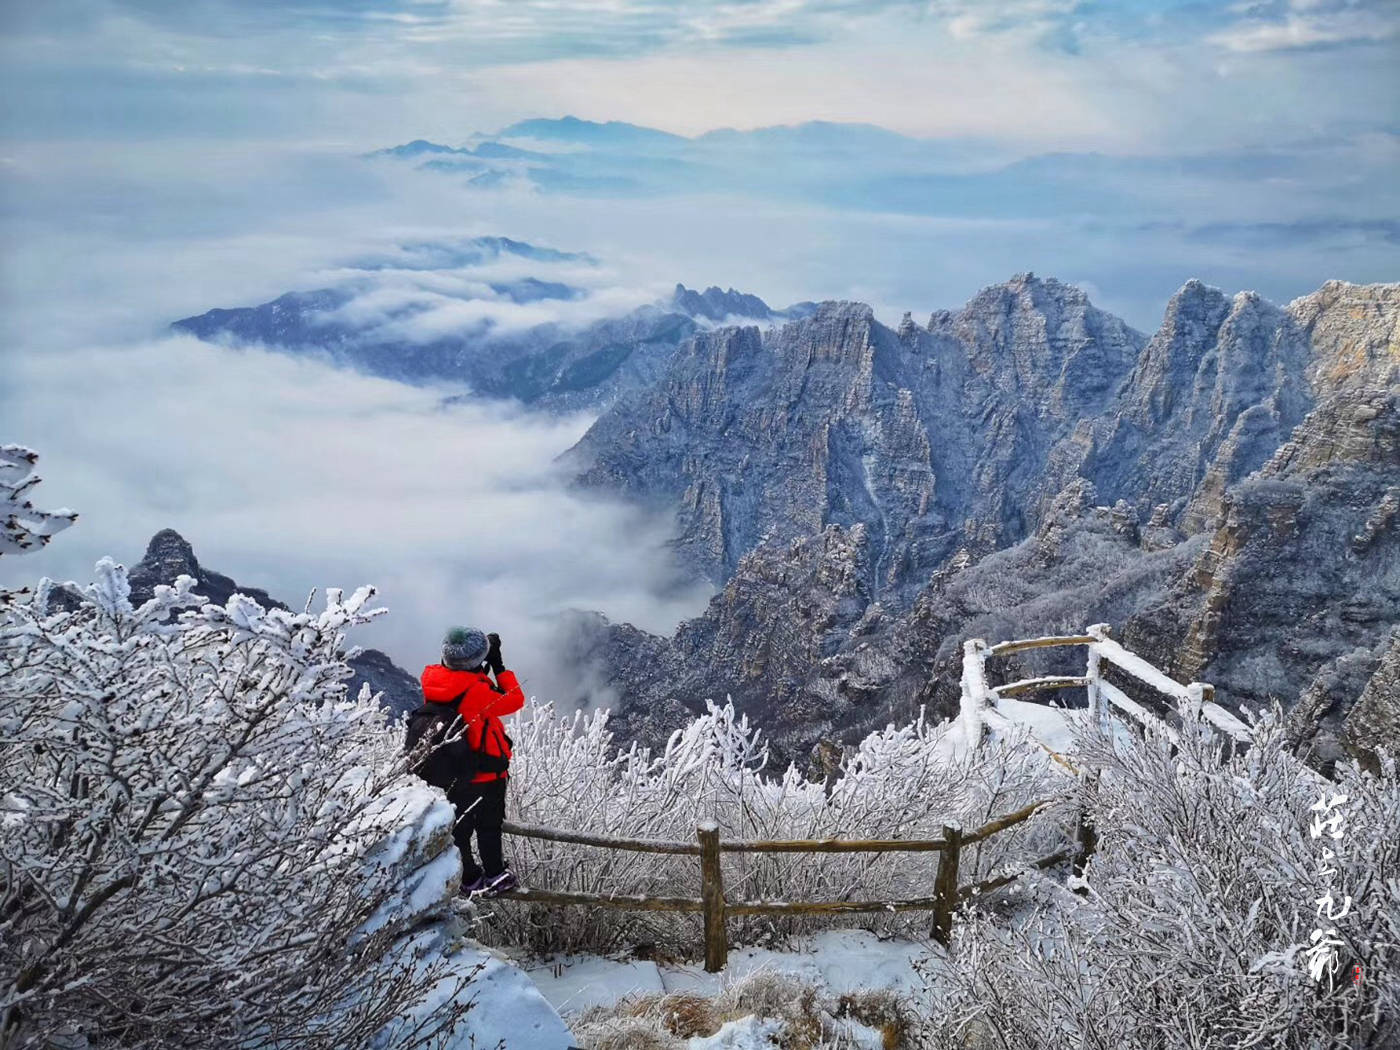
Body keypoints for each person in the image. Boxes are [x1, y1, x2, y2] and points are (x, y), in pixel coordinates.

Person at [413, 626, 525, 896]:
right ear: (476, 663)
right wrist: (497, 664)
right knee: (488, 826)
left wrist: (479, 667)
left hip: (453, 768)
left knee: (461, 829)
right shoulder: (476, 691)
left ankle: (469, 876)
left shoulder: (431, 680)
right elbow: (514, 700)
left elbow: (462, 689)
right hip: (485, 771)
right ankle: (496, 876)